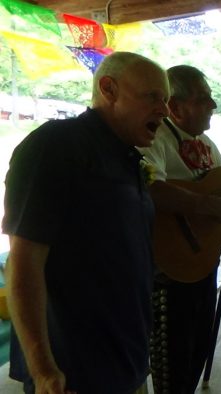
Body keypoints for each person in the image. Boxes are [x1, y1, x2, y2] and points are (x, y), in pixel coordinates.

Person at [2, 52, 169, 393]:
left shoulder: (127, 156)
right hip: (74, 372)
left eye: (165, 100)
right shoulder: (56, 146)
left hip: (125, 363)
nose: (164, 111)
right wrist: (44, 370)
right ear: (109, 89)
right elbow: (23, 263)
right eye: (152, 97)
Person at [138, 65, 221, 393]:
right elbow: (149, 189)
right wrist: (205, 205)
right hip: (168, 270)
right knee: (172, 364)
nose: (213, 106)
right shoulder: (155, 139)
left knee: (198, 348)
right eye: (204, 99)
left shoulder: (204, 143)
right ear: (176, 107)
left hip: (202, 263)